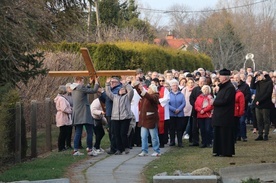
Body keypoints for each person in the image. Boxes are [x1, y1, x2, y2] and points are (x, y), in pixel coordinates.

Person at [71, 76, 99, 156]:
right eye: (82, 82)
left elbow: (84, 91)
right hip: (84, 112)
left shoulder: (74, 88)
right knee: (89, 131)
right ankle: (90, 149)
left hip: (77, 113)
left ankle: (75, 150)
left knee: (78, 132)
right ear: (79, 81)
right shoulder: (80, 87)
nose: (83, 83)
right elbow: (93, 90)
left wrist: (89, 83)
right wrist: (96, 82)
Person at [105, 78, 134, 155]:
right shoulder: (115, 97)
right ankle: (119, 149)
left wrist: (125, 84)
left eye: (123, 89)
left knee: (123, 134)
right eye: (120, 89)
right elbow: (108, 92)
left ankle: (126, 147)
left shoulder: (127, 97)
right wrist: (107, 84)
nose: (122, 90)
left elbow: (131, 91)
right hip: (115, 118)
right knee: (116, 134)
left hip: (125, 117)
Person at [212, 68, 236, 157]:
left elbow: (225, 100)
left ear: (225, 77)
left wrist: (213, 102)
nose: (219, 78)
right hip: (219, 114)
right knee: (218, 133)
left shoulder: (230, 87)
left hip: (225, 115)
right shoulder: (222, 86)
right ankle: (218, 150)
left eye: (220, 76)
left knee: (225, 134)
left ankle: (226, 151)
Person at [134, 83, 161, 157]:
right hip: (144, 119)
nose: (148, 89)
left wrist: (143, 90)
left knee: (154, 136)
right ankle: (144, 150)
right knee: (143, 136)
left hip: (151, 119)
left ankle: (157, 150)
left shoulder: (155, 96)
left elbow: (150, 98)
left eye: (149, 88)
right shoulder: (145, 96)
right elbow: (140, 93)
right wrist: (137, 86)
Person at [101, 77, 122, 154]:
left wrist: (105, 91)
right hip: (109, 112)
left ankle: (115, 148)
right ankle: (113, 147)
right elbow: (103, 98)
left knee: (114, 131)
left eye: (114, 82)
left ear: (118, 83)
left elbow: (110, 97)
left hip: (115, 113)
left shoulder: (118, 89)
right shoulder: (110, 89)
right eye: (111, 82)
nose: (112, 83)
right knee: (111, 131)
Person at [251, 71, 274, 141]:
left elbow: (268, 93)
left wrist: (260, 100)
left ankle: (266, 134)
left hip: (265, 104)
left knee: (266, 120)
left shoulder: (269, 83)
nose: (258, 77)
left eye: (259, 76)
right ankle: (260, 134)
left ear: (263, 75)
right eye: (258, 77)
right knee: (259, 120)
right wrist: (254, 77)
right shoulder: (258, 83)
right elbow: (252, 86)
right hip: (258, 104)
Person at [54, 85, 73, 152]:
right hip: (63, 116)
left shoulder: (61, 98)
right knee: (62, 132)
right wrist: (70, 110)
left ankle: (63, 146)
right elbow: (64, 108)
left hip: (63, 116)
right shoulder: (61, 99)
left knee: (64, 132)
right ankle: (61, 147)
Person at [189, 76, 206, 146]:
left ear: (205, 82)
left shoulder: (207, 89)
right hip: (195, 111)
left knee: (203, 127)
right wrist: (196, 106)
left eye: (203, 81)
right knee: (194, 128)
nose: (201, 83)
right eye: (200, 81)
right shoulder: (195, 89)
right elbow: (191, 99)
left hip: (204, 112)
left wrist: (203, 108)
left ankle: (204, 141)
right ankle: (195, 141)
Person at [168, 79, 186, 147]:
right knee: (172, 128)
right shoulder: (169, 94)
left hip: (180, 114)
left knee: (179, 129)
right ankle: (172, 141)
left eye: (176, 85)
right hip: (171, 114)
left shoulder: (181, 94)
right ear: (171, 87)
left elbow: (183, 103)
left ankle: (180, 142)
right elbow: (167, 104)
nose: (175, 87)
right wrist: (174, 109)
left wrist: (179, 109)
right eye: (173, 85)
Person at [90, 90, 106, 154]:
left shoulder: (102, 102)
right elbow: (93, 110)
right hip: (94, 119)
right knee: (99, 133)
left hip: (99, 119)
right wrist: (101, 112)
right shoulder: (97, 102)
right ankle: (95, 147)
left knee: (101, 133)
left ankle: (97, 146)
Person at [63, 83, 73, 149]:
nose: (70, 89)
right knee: (67, 130)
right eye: (69, 88)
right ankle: (67, 144)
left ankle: (78, 144)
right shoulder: (64, 97)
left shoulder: (74, 95)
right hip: (68, 114)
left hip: (74, 113)